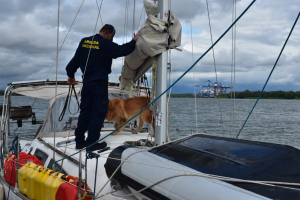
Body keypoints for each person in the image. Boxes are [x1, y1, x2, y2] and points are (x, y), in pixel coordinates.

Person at [66, 24, 139, 151]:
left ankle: (79, 141)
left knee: (85, 112)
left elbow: (73, 63)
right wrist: (134, 41)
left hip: (87, 83)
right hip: (99, 84)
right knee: (99, 111)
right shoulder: (105, 43)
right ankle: (92, 142)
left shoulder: (84, 41)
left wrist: (70, 76)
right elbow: (122, 50)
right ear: (110, 35)